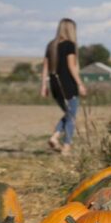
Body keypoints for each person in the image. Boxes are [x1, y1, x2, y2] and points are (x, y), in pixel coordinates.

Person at [40, 18, 87, 156]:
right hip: (68, 85)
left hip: (55, 84)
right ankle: (66, 146)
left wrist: (44, 85)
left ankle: (55, 137)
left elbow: (45, 67)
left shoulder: (51, 45)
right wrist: (80, 84)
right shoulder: (69, 45)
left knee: (68, 113)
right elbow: (72, 67)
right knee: (71, 117)